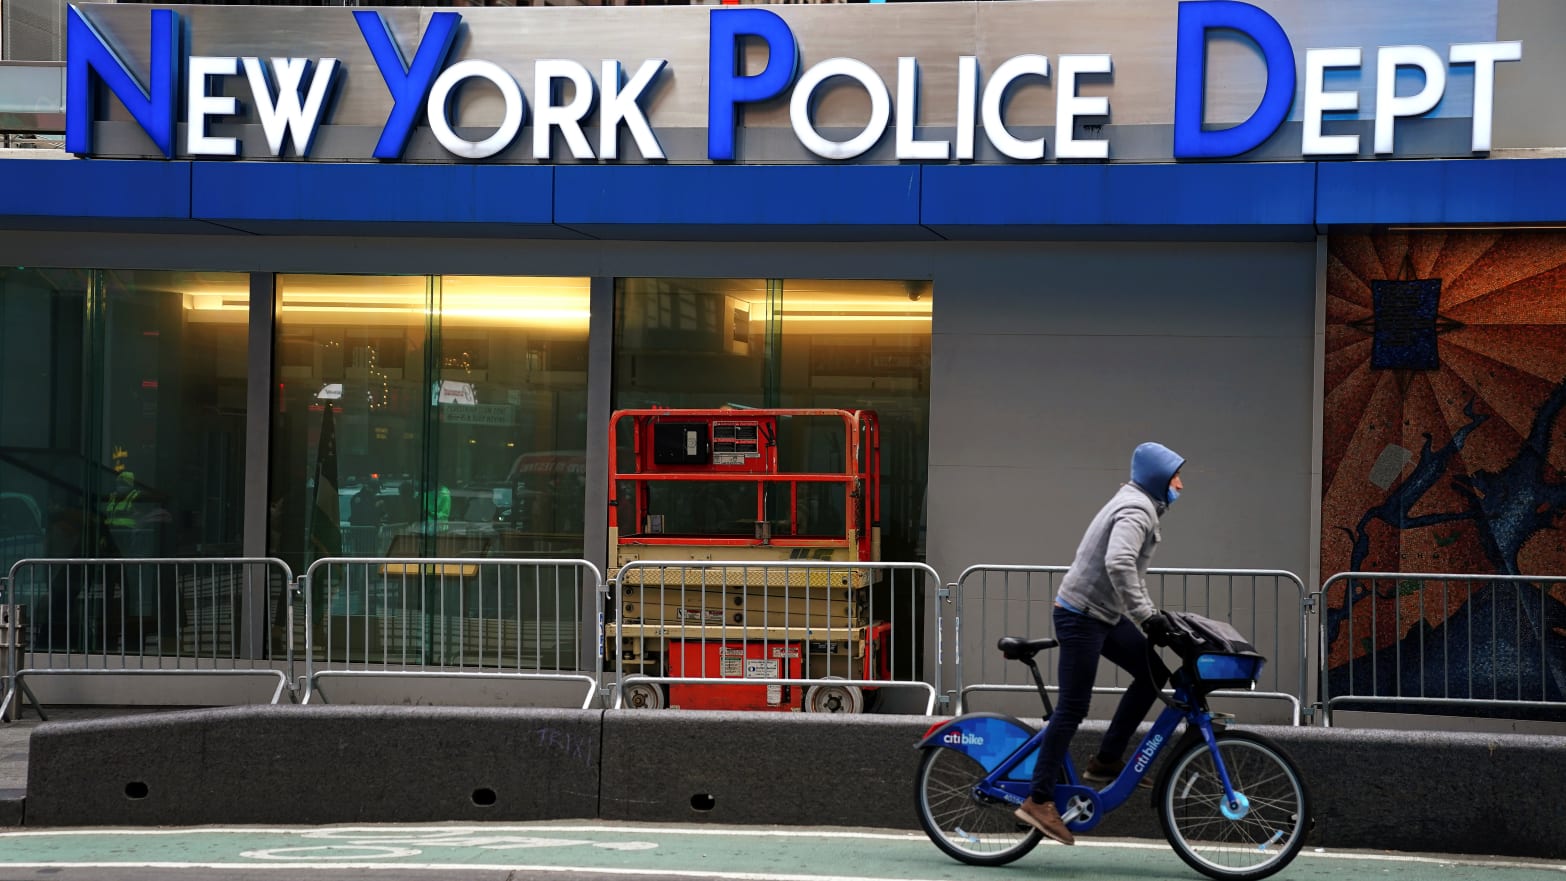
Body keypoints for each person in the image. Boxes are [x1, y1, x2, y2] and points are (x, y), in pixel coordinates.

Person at [1013, 441, 1185, 847]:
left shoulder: (1136, 502)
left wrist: (1152, 615)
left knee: (1153, 674)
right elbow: (1120, 562)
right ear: (1159, 477)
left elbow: (1126, 572)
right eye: (1176, 476)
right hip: (1080, 615)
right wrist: (1147, 618)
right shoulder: (1137, 509)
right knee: (1073, 707)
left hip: (1101, 614)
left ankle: (1106, 761)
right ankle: (1038, 800)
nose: (1181, 485)